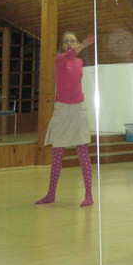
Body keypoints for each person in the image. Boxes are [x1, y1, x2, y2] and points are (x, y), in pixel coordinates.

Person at [35, 31, 94, 207]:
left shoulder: (79, 62)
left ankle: (89, 195)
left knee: (82, 151)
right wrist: (84, 43)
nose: (70, 44)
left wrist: (82, 45)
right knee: (57, 153)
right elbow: (70, 55)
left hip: (78, 109)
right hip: (62, 109)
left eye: (72, 41)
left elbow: (74, 57)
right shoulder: (60, 59)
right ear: (61, 45)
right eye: (66, 41)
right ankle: (50, 194)